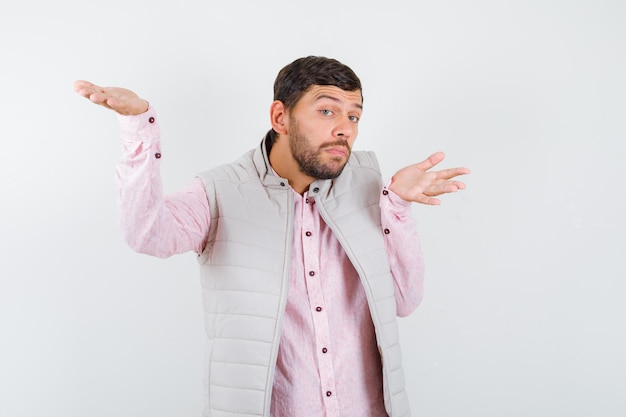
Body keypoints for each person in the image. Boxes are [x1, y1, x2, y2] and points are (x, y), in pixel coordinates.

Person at [74, 56, 470, 417]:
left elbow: (403, 300)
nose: (343, 129)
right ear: (280, 117)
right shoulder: (221, 191)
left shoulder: (368, 183)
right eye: (327, 110)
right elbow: (148, 235)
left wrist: (397, 205)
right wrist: (139, 129)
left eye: (354, 116)